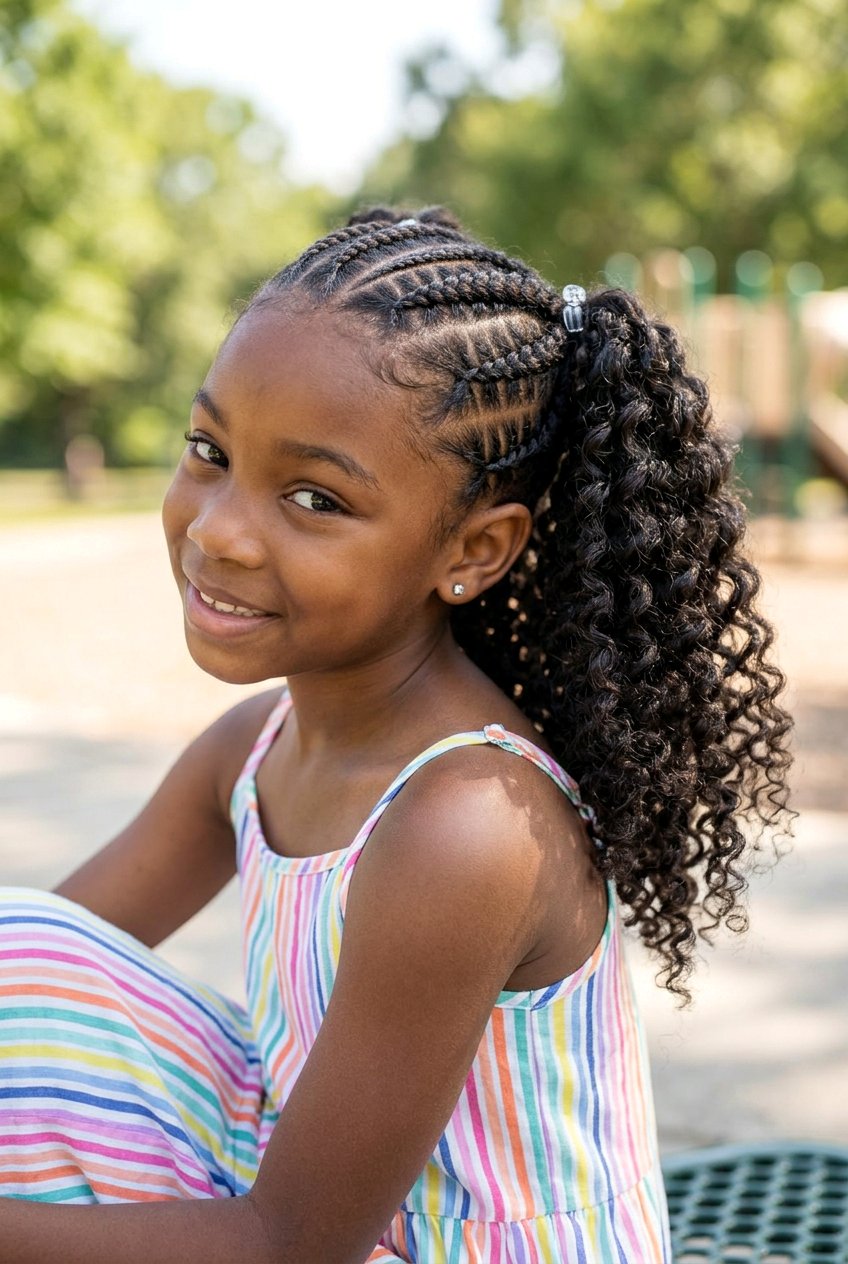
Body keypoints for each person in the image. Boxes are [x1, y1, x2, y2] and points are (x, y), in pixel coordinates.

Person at [0, 207, 792, 1263]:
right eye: (208, 450)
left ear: (471, 549)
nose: (219, 528)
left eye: (314, 497)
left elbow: (287, 1243)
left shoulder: (463, 827)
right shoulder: (249, 751)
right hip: (331, 1223)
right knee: (24, 955)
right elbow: (33, 979)